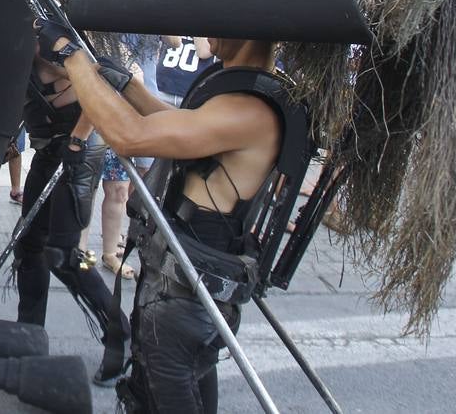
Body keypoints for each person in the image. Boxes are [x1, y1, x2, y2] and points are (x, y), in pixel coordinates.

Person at [37, 21, 287, 413]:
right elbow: (181, 126)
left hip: (184, 303)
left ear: (249, 24)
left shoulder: (249, 109)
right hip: (184, 295)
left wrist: (72, 57)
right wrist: (129, 87)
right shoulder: (245, 95)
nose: (206, 30)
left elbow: (131, 136)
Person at [12, 52, 115, 337]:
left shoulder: (65, 45)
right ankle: (29, 332)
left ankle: (120, 333)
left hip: (80, 154)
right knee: (29, 244)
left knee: (65, 254)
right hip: (46, 153)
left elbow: (103, 86)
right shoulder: (18, 52)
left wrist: (78, 137)